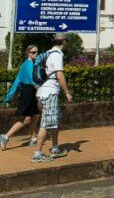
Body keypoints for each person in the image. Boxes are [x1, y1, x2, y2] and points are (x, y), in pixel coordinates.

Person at [32, 33, 73, 163]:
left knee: (54, 119)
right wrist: (67, 92)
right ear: (65, 42)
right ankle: (37, 154)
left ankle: (55, 148)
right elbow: (59, 75)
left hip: (44, 91)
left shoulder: (48, 53)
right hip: (50, 93)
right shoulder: (57, 55)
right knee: (45, 123)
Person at [0, 44, 41, 150]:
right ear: (28, 53)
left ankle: (33, 138)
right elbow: (32, 80)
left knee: (36, 115)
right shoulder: (27, 64)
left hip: (32, 92)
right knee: (27, 119)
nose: (36, 54)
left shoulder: (32, 63)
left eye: (37, 52)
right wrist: (41, 90)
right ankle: (5, 136)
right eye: (33, 52)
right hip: (27, 92)